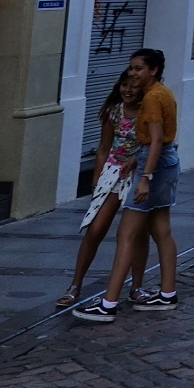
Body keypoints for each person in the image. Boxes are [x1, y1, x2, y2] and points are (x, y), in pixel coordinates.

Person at [73, 48, 180, 321]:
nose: (132, 73)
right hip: (165, 161)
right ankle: (167, 293)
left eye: (138, 69)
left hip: (151, 163)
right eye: (130, 68)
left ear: (153, 70)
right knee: (161, 230)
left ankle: (108, 304)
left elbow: (154, 140)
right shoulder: (163, 92)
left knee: (127, 235)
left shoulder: (153, 98)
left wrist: (145, 177)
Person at [59, 69, 147, 309]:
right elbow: (103, 148)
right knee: (95, 229)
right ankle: (75, 285)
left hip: (137, 174)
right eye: (124, 85)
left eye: (134, 86)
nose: (128, 90)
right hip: (113, 173)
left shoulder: (148, 112)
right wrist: (96, 182)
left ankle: (136, 286)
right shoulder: (114, 112)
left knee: (136, 233)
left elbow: (154, 146)